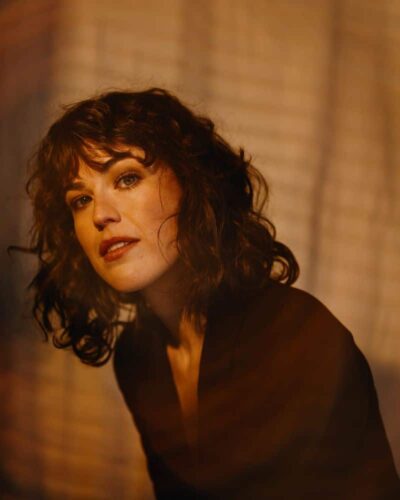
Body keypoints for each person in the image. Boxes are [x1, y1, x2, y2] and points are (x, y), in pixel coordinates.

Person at [24, 88, 399, 498]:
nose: (100, 215)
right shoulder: (137, 355)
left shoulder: (295, 335)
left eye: (127, 178)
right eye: (80, 199)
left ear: (194, 184)